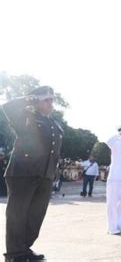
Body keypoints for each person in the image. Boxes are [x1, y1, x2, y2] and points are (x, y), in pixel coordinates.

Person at [2, 86, 63, 261]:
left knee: (36, 216)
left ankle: (24, 249)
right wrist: (32, 98)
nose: (51, 103)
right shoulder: (26, 117)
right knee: (17, 214)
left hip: (45, 175)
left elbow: (55, 151)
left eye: (52, 99)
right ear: (36, 100)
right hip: (23, 173)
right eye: (47, 99)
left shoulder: (54, 123)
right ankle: (14, 254)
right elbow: (7, 107)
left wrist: (53, 172)